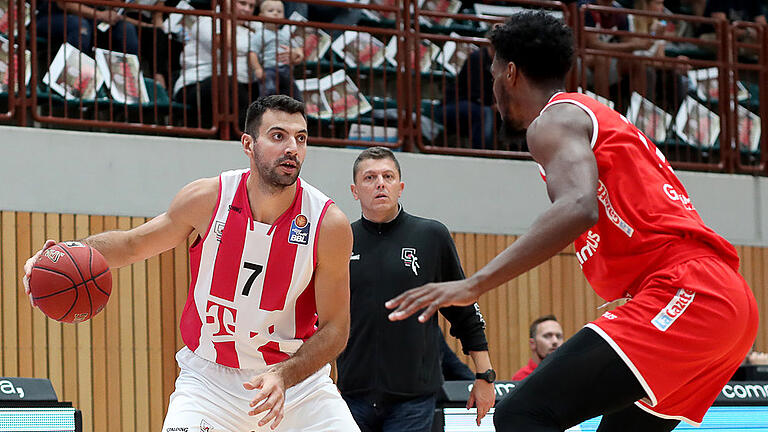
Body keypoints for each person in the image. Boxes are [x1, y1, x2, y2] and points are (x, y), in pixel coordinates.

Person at [386, 11, 758, 432]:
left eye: (492, 75)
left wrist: (474, 284)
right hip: (721, 301)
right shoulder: (590, 117)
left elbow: (580, 207)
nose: (491, 90)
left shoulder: (554, 119)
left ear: (509, 72)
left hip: (690, 292)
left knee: (521, 415)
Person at [23, 95, 360, 432]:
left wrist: (285, 375)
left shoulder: (327, 223)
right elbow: (132, 244)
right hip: (210, 383)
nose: (292, 148)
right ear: (248, 144)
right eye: (278, 136)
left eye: (300, 138)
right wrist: (62, 254)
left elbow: (335, 328)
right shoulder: (208, 199)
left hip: (296, 385)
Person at [336, 147, 495, 431]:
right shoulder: (340, 240)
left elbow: (463, 311)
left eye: (388, 176)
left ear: (401, 186)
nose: (380, 183)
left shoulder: (431, 236)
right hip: (351, 398)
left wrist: (484, 375)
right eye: (370, 177)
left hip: (413, 401)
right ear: (354, 190)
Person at [172, 0, 260, 130]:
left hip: (239, 86)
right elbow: (226, 43)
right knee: (226, 82)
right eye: (242, 3)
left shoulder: (253, 29)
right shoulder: (206, 21)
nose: (247, 9)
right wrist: (228, 16)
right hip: (195, 85)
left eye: (251, 6)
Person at [36, 0, 139, 56]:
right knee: (80, 26)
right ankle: (70, 84)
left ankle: (129, 87)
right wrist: (99, 14)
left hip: (91, 20)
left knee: (126, 29)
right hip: (51, 16)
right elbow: (66, 4)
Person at [249, 0, 303, 100]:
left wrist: (297, 54)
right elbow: (252, 52)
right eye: (271, 11)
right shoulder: (260, 34)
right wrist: (257, 69)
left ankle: (297, 109)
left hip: (286, 69)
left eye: (279, 11)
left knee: (294, 93)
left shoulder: (285, 33)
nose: (275, 13)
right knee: (269, 91)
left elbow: (297, 48)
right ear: (261, 16)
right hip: (269, 69)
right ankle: (265, 109)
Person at [511, 315, 564, 381]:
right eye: (547, 336)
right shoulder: (521, 378)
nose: (555, 341)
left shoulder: (569, 374)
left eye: (559, 336)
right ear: (533, 343)